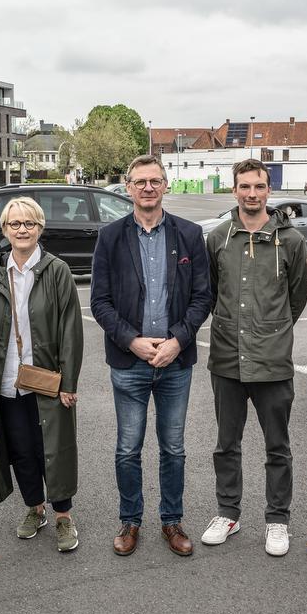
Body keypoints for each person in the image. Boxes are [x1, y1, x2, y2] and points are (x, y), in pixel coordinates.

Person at [90, 154, 212, 557]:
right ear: (128, 187)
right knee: (128, 447)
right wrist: (133, 341)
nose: (147, 187)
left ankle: (171, 521)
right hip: (130, 360)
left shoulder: (190, 235)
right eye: (139, 181)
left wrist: (177, 340)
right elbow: (100, 302)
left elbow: (201, 297)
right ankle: (130, 521)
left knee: (173, 447)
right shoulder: (110, 237)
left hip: (176, 361)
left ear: (165, 186)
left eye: (154, 181)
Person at [200, 159, 307, 556]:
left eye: (259, 186)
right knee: (225, 444)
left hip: (272, 361)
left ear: (268, 190)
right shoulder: (218, 238)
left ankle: (277, 519)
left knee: (276, 446)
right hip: (227, 359)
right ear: (234, 190)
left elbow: (297, 297)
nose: (252, 193)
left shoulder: (291, 240)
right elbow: (212, 293)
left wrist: (272, 330)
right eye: (244, 186)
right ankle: (228, 513)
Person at [0, 197, 84, 552]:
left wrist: (68, 381)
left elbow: (70, 330)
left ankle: (63, 516)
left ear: (40, 228)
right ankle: (35, 508)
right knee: (20, 449)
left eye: (29, 223)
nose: (22, 230)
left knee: (55, 448)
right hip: (4, 380)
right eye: (15, 224)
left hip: (47, 379)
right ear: (4, 230)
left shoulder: (57, 270)